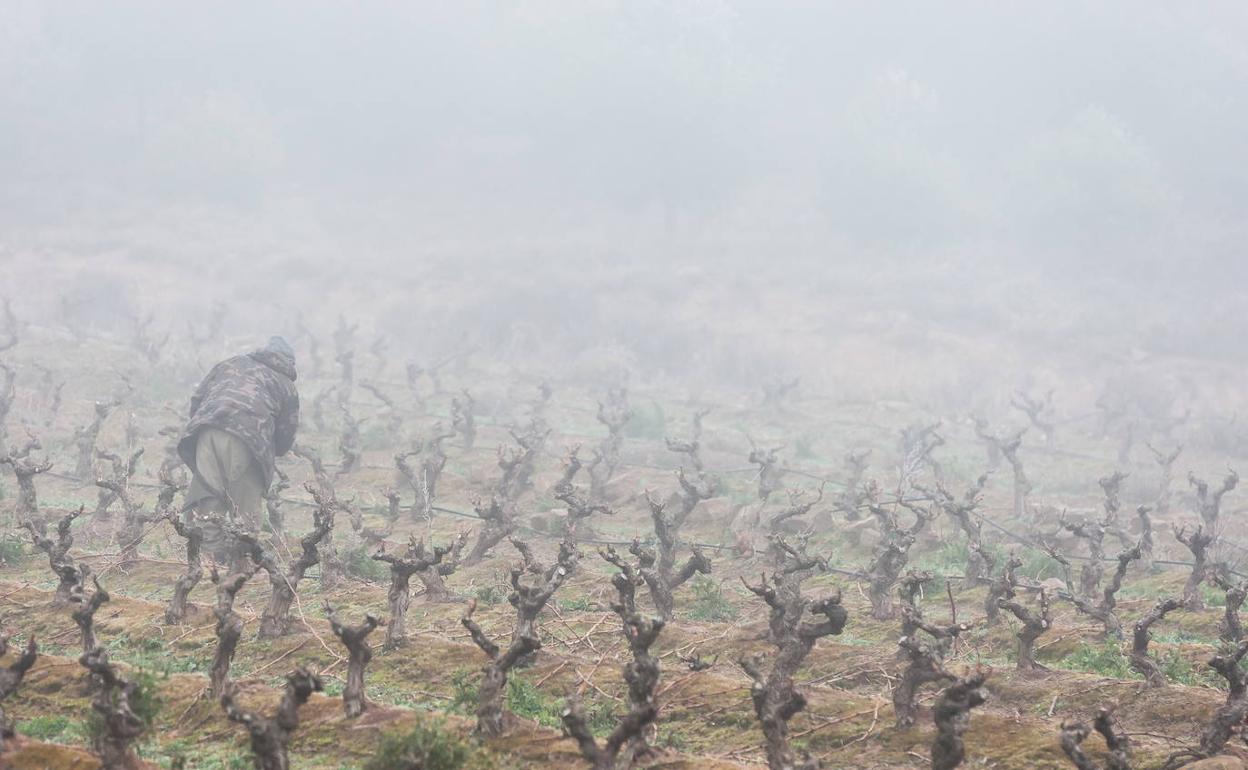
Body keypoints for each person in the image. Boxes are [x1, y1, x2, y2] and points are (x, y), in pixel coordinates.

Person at [178, 336, 299, 554]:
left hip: (208, 430)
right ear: (289, 361)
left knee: (209, 492)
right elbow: (286, 433)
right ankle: (241, 559)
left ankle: (209, 557)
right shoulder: (285, 384)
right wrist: (274, 451)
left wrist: (202, 428)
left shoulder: (230, 364)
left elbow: (197, 399)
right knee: (246, 503)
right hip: (249, 439)